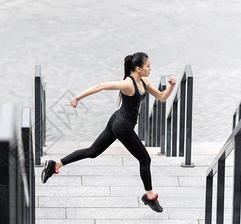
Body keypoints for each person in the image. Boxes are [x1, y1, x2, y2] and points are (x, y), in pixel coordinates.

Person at [40, 52, 176, 213]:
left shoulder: (144, 82)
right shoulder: (128, 84)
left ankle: (54, 165)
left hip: (116, 120)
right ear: (138, 68)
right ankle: (150, 197)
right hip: (122, 126)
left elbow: (161, 97)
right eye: (147, 66)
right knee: (145, 159)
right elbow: (100, 86)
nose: (150, 69)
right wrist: (77, 98)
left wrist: (172, 87)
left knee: (92, 152)